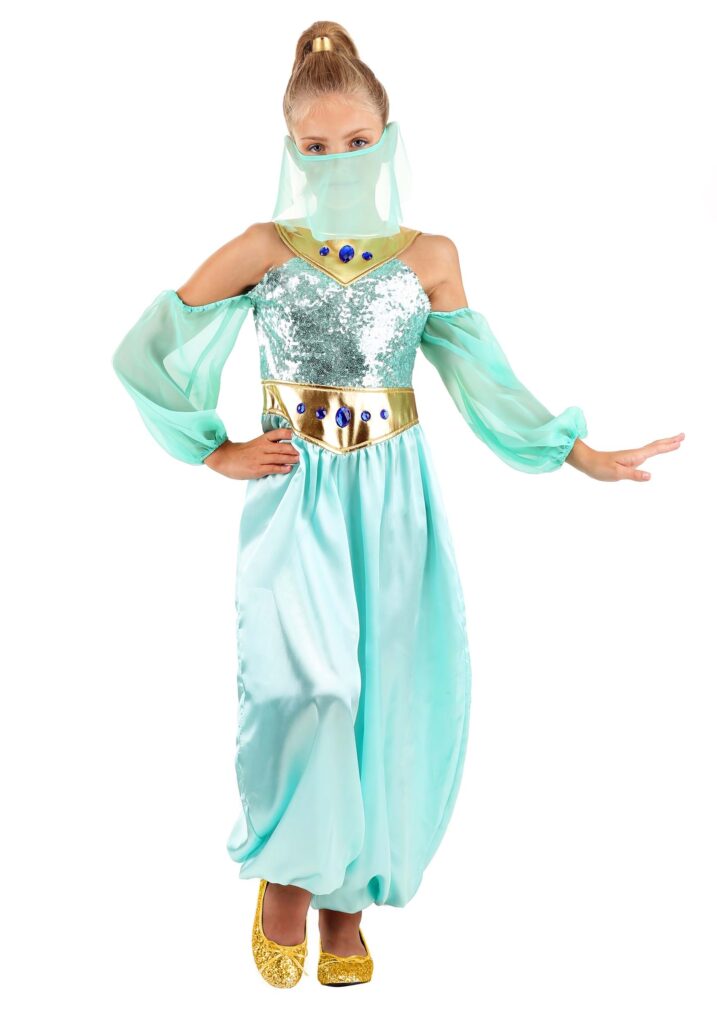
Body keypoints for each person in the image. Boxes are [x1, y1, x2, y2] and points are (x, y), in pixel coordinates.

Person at [111, 21, 684, 989]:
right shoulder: (261, 248)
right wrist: (214, 450)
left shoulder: (431, 256)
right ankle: (286, 872)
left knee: (385, 692)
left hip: (393, 495)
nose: (338, 158)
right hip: (296, 489)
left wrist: (577, 454)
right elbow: (149, 352)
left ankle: (348, 900)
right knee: (307, 687)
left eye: (356, 141)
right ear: (293, 147)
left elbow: (483, 379)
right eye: (318, 144)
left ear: (386, 138)